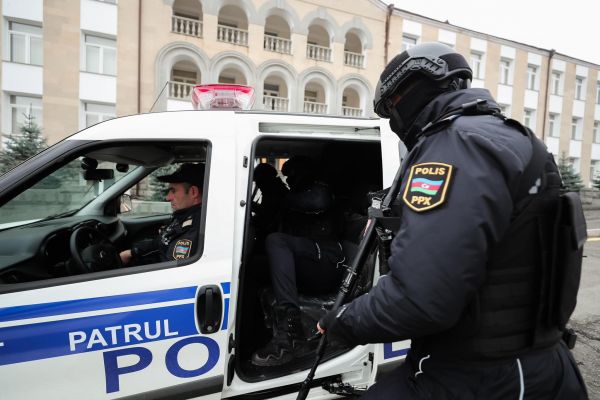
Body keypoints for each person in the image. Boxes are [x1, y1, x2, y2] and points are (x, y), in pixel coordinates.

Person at [317, 42, 588, 399]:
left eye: (393, 106)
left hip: (484, 374)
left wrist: (339, 321)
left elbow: (421, 299)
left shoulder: (456, 145)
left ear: (414, 90)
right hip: (532, 363)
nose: (394, 119)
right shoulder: (505, 136)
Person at [251, 156, 345, 367]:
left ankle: (291, 330)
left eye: (292, 174)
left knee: (275, 241)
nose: (289, 179)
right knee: (251, 266)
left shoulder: (319, 190)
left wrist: (280, 197)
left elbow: (317, 202)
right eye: (286, 176)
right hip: (307, 260)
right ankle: (253, 334)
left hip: (326, 263)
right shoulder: (291, 196)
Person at [119, 163, 204, 265]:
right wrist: (131, 253)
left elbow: (171, 272)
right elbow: (161, 241)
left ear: (193, 192)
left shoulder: (195, 228)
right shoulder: (183, 217)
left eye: (173, 191)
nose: (167, 198)